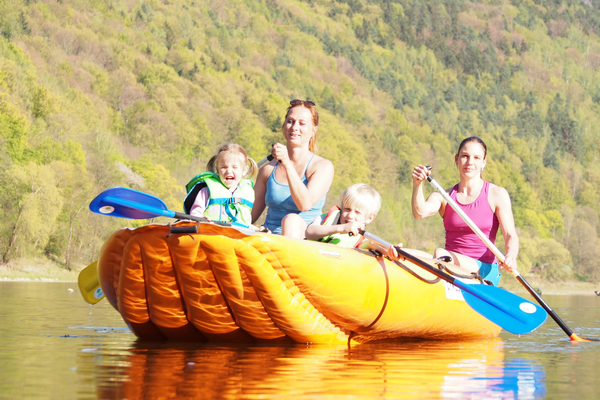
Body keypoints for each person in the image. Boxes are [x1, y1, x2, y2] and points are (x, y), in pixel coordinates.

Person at [388, 136, 518, 286]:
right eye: (465, 156)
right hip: (448, 264)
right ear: (456, 159)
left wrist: (511, 256)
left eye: (476, 158)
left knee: (440, 254)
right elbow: (420, 213)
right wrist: (417, 184)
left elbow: (510, 235)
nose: (470, 162)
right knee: (401, 253)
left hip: (483, 270)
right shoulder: (444, 196)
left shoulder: (497, 194)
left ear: (484, 162)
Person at [252, 100, 334, 236]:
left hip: (302, 244)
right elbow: (248, 215)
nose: (294, 127)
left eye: (302, 123)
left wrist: (287, 164)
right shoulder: (267, 169)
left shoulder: (322, 167)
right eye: (290, 121)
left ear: (313, 130)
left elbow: (305, 204)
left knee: (291, 220)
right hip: (269, 239)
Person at [183, 143, 258, 226]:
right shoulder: (206, 190)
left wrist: (256, 229)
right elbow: (194, 215)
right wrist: (201, 219)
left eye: (235, 167)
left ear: (244, 170)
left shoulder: (248, 192)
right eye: (224, 167)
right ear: (217, 169)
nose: (229, 171)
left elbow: (246, 224)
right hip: (212, 233)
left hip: (238, 236)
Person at [306, 183, 381, 248]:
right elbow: (309, 232)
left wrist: (388, 251)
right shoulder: (322, 219)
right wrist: (341, 228)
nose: (350, 215)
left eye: (357, 212)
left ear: (369, 218)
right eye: (347, 209)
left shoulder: (361, 240)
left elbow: (372, 245)